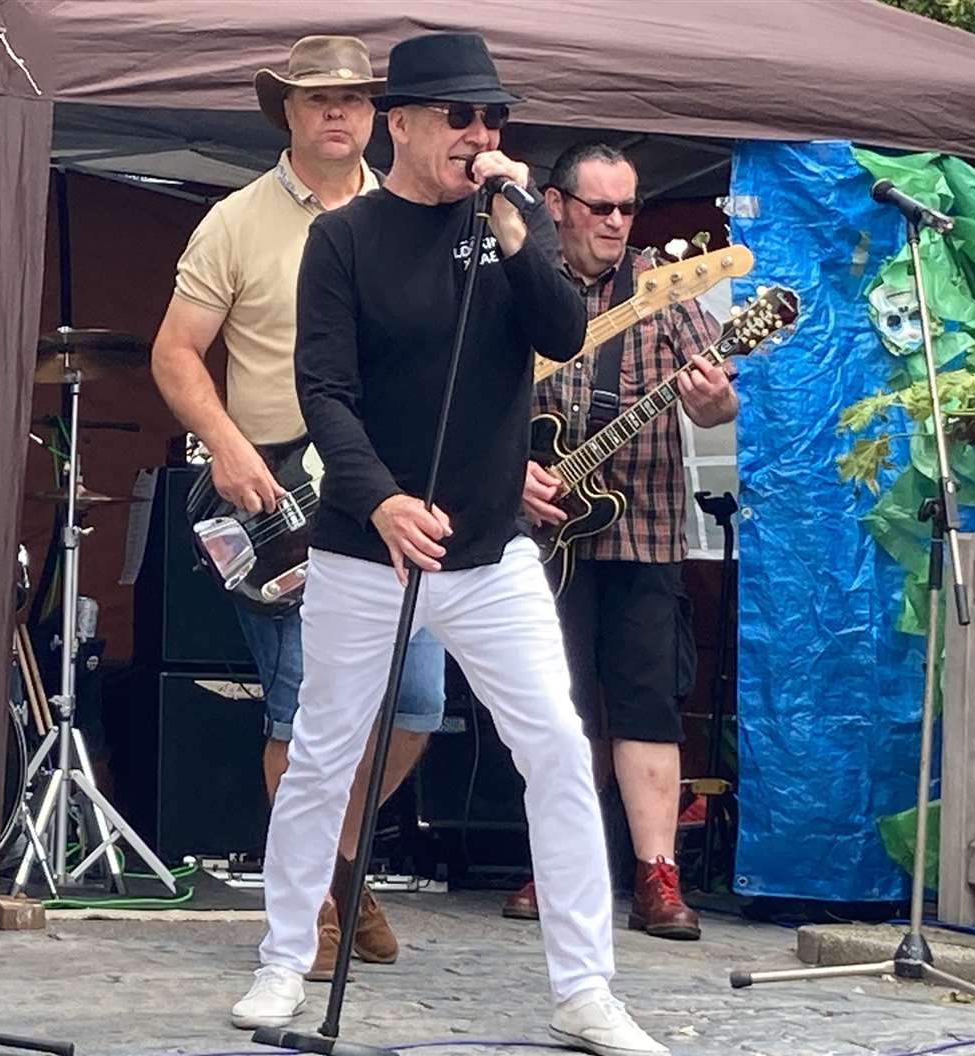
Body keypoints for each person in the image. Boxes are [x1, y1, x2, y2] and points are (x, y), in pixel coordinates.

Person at [229, 33, 669, 1056]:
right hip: (363, 549)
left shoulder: (509, 231)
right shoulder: (344, 241)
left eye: (495, 120)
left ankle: (585, 990)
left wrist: (519, 219)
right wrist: (380, 500)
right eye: (463, 118)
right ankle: (284, 960)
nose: (482, 135)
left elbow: (561, 332)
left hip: (489, 554)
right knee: (326, 756)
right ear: (405, 124)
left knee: (557, 749)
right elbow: (324, 394)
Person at [150, 34, 446, 982]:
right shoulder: (235, 220)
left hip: (399, 492)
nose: (338, 115)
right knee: (302, 713)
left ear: (380, 115)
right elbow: (174, 353)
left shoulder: (421, 211)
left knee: (417, 703)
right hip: (280, 494)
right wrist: (227, 445)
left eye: (355, 100)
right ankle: (316, 906)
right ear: (284, 110)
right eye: (318, 100)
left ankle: (337, 861)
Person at [508, 142, 732, 941]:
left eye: (627, 208)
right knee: (553, 710)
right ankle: (562, 865)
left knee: (647, 706)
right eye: (598, 207)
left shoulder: (661, 290)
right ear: (556, 204)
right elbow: (467, 398)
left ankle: (656, 877)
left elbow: (715, 405)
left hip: (641, 529)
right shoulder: (514, 275)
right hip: (534, 535)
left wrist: (712, 400)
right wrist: (510, 475)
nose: (614, 222)